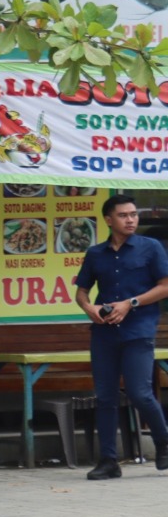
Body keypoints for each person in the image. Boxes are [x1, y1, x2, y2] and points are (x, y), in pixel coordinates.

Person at [75, 193, 168, 478]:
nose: (130, 220)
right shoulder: (95, 253)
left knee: (140, 393)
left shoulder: (150, 247)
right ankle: (108, 461)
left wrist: (131, 303)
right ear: (108, 219)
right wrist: (89, 308)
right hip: (104, 333)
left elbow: (165, 286)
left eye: (133, 214)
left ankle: (163, 442)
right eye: (123, 215)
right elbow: (81, 291)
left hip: (138, 330)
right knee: (105, 396)